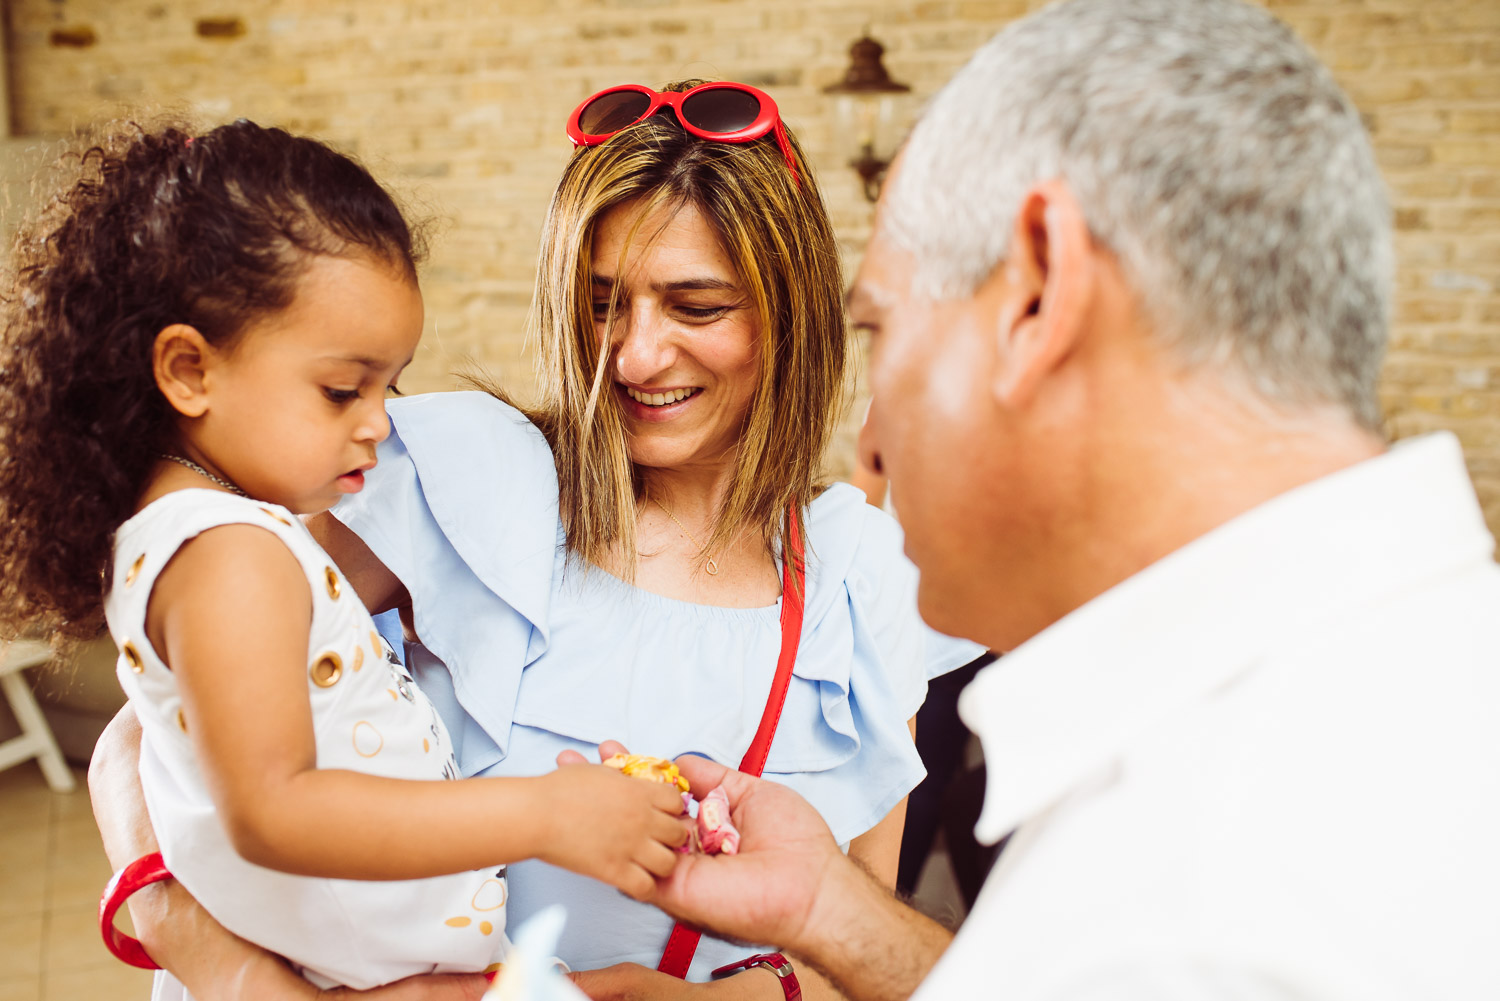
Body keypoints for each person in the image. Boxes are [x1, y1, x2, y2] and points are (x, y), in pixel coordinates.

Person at [634, 1, 1500, 998]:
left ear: (1040, 293)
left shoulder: (1205, 907)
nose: (868, 436)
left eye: (879, 329)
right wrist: (831, 907)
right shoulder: (1389, 697)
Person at [87, 82, 980, 1000]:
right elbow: (150, 733)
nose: (633, 356)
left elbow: (854, 934)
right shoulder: (464, 476)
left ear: (788, 315)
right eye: (601, 302)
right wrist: (230, 974)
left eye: (696, 307)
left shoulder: (858, 577)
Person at [0, 118, 690, 997]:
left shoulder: (219, 533)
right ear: (188, 370)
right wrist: (545, 813)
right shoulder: (225, 553)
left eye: (386, 386)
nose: (376, 421)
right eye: (340, 389)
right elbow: (273, 808)